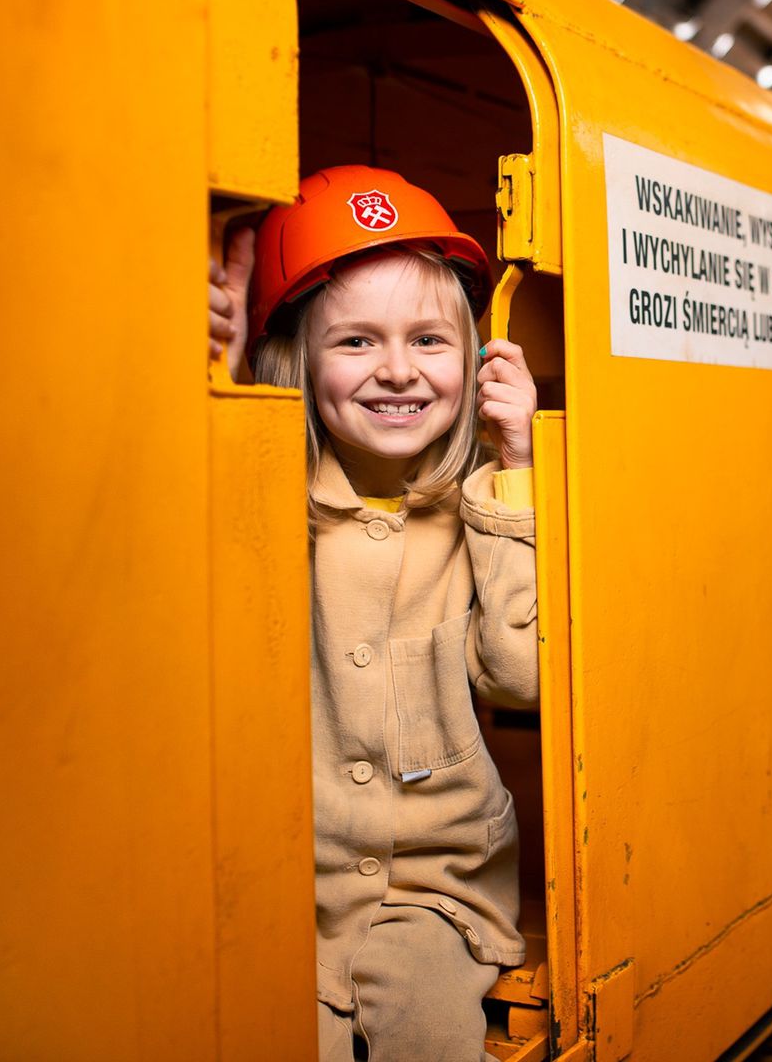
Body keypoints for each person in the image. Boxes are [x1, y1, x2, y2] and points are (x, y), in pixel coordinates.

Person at [209, 165, 539, 1060]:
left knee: (429, 1040)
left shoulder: (480, 504)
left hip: (438, 888)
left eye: (430, 340)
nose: (397, 370)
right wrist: (217, 377)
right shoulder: (256, 496)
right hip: (278, 881)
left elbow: (524, 673)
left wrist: (515, 466)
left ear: (473, 361)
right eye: (355, 342)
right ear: (297, 359)